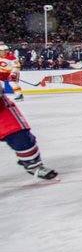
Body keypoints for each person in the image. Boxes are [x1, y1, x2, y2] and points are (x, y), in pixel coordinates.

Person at [0, 48, 56, 179]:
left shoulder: (10, 59)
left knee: (21, 138)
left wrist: (11, 74)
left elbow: (7, 72)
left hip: (1, 110)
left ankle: (33, 165)